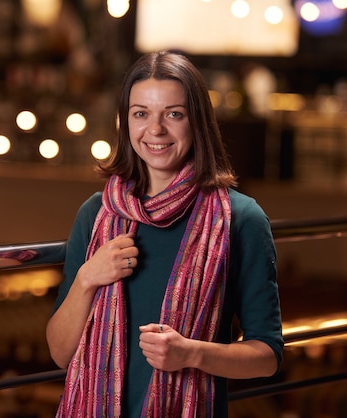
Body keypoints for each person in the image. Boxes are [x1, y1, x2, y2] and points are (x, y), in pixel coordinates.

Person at [46, 50, 283, 417]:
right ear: (126, 122)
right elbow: (60, 353)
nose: (155, 130)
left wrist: (191, 353)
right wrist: (86, 279)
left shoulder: (241, 219)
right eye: (141, 114)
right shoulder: (97, 213)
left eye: (174, 114)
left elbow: (266, 357)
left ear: (197, 122)